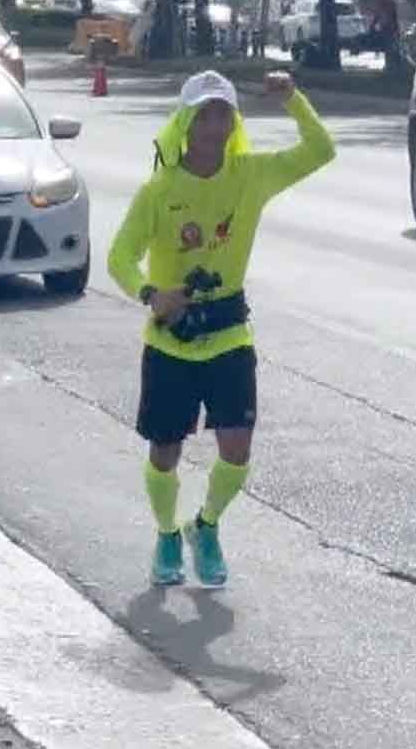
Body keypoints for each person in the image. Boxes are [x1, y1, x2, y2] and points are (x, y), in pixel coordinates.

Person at [108, 69, 336, 587]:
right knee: (165, 452)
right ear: (185, 122)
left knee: (237, 447)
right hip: (171, 340)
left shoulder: (250, 175)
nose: (213, 125)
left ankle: (205, 526)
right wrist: (151, 294)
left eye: (223, 114)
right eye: (204, 114)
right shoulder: (159, 190)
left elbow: (320, 151)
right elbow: (121, 257)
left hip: (230, 333)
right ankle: (166, 533)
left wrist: (293, 100)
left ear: (233, 122)